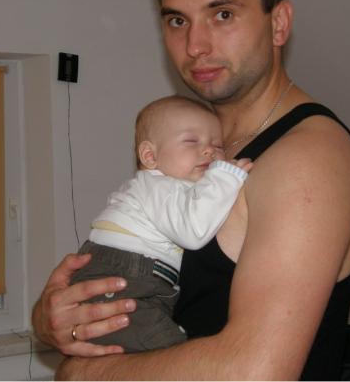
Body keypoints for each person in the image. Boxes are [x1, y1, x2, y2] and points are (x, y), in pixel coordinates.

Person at [33, 0, 350, 379]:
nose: (195, 45)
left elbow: (254, 373)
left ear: (279, 23)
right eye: (177, 20)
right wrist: (51, 321)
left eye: (222, 14)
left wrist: (80, 373)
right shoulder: (191, 142)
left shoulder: (307, 161)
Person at [69, 95, 252, 353]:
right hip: (122, 275)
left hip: (139, 278)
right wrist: (226, 178)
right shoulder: (158, 186)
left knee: (160, 350)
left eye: (217, 145)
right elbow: (193, 232)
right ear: (149, 155)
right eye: (192, 141)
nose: (209, 150)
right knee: (168, 353)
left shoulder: (169, 188)